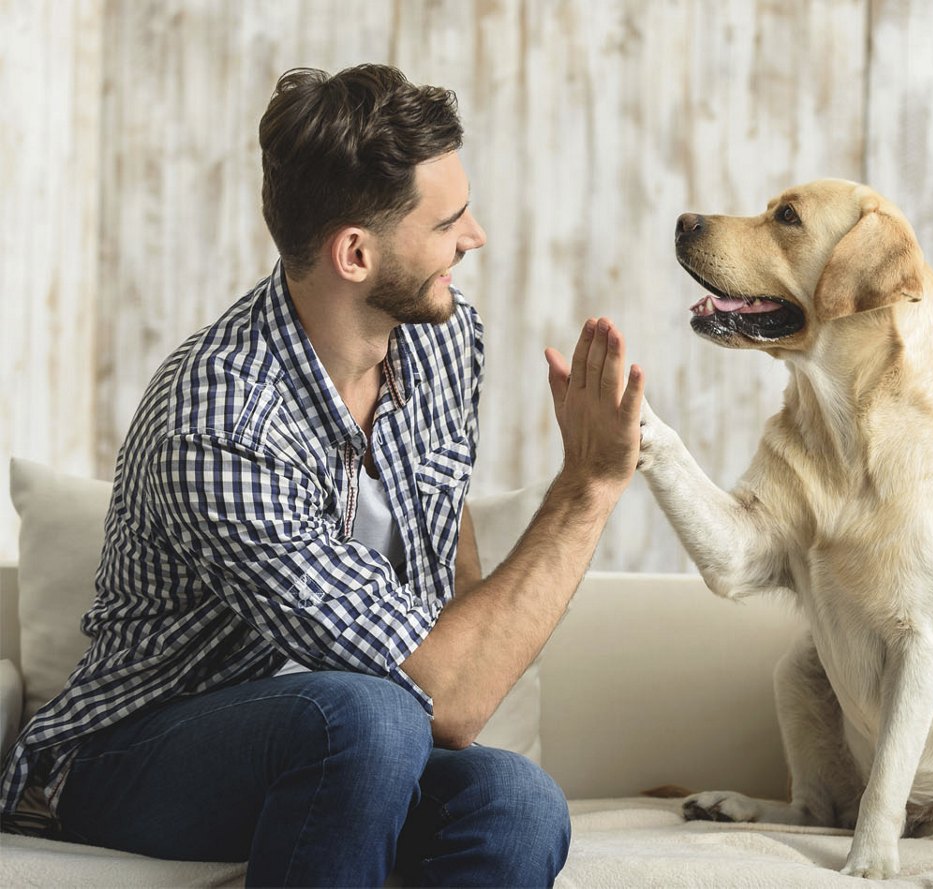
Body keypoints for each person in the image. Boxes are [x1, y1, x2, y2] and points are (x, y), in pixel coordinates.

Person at [0, 63, 644, 887]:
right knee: (367, 715)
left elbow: (447, 549)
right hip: (131, 753)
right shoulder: (221, 419)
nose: (474, 236)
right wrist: (586, 488)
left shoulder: (443, 339)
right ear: (355, 253)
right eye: (448, 220)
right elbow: (443, 694)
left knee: (516, 800)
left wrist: (461, 673)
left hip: (359, 739)